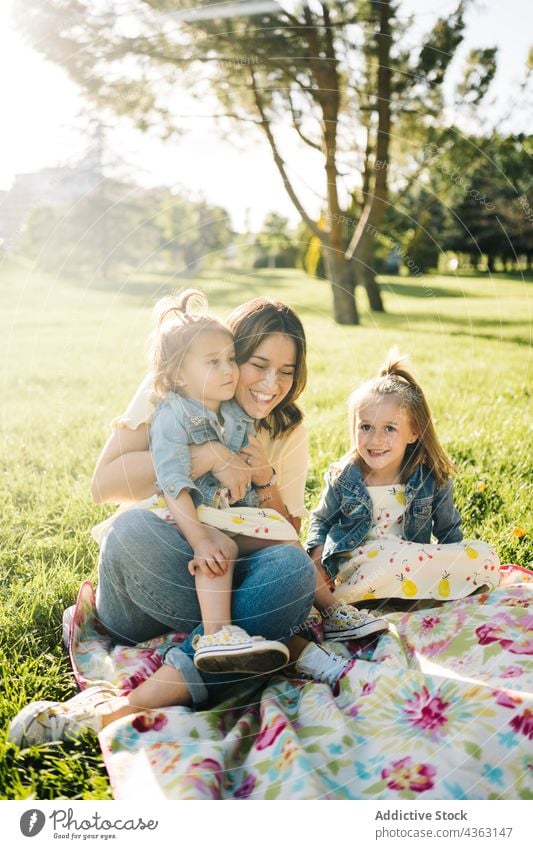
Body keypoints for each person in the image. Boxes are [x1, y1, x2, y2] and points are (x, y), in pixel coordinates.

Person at [9, 296, 335, 748]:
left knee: (292, 572)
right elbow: (103, 486)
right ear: (228, 354)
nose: (270, 384)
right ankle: (255, 638)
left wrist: (265, 478)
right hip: (153, 581)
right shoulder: (170, 387)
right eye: (258, 364)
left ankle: (124, 708)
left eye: (286, 372)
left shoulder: (285, 427)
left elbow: (284, 534)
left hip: (225, 574)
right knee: (131, 531)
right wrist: (205, 455)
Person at [142, 288, 299, 675]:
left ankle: (329, 611)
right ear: (178, 373)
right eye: (216, 361)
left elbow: (256, 479)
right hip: (187, 521)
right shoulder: (172, 410)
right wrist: (199, 538)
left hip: (225, 515)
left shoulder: (233, 411)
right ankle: (215, 634)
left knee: (287, 544)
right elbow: (171, 480)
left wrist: (263, 476)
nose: (229, 370)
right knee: (221, 548)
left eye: (230, 359)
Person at [305, 350, 500, 613]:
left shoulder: (431, 478)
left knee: (485, 555)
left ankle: (412, 594)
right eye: (365, 427)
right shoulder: (343, 476)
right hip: (363, 564)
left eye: (390, 428)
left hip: (412, 560)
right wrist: (317, 558)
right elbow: (321, 521)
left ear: (414, 432)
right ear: (353, 427)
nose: (375, 439)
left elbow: (449, 533)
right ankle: (352, 600)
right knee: (388, 555)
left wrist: (455, 562)